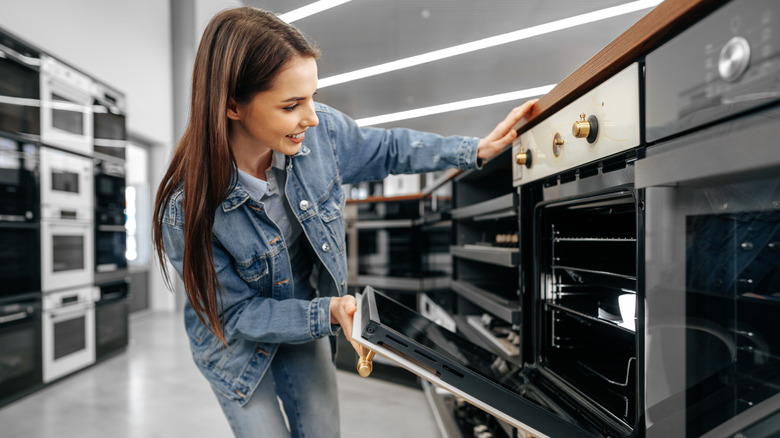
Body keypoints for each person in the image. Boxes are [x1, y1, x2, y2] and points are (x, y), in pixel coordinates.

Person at [152, 6, 537, 438]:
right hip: (235, 345)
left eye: (312, 96)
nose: (312, 118)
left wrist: (473, 151)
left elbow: (391, 149)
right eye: (292, 104)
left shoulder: (322, 134)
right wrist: (330, 312)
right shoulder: (187, 208)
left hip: (306, 311)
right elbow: (237, 313)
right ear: (232, 106)